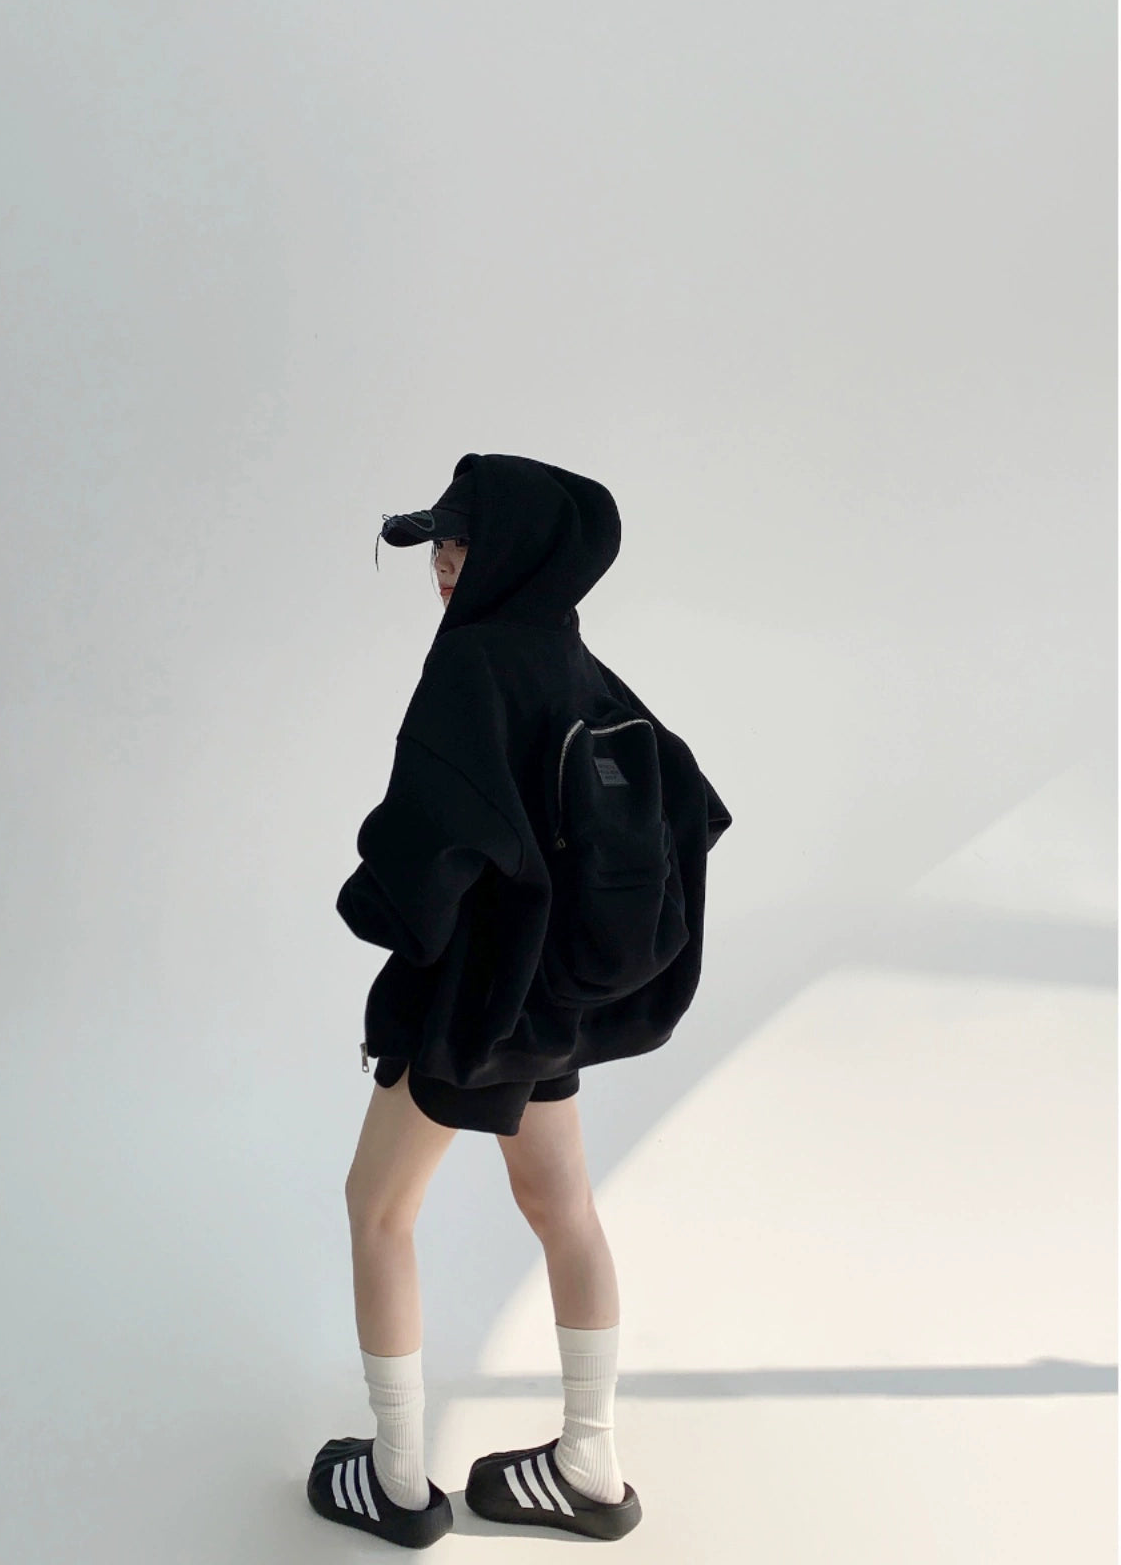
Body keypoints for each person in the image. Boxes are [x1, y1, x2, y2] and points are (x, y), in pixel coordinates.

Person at [308, 453, 731, 1546]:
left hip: (469, 1004)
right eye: (439, 545)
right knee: (564, 1209)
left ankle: (397, 1481)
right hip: (549, 1008)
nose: (444, 564)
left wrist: (373, 905)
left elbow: (421, 853)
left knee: (376, 1209)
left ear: (513, 552)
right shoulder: (578, 662)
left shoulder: (472, 664)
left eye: (461, 541)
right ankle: (589, 1464)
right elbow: (687, 801)